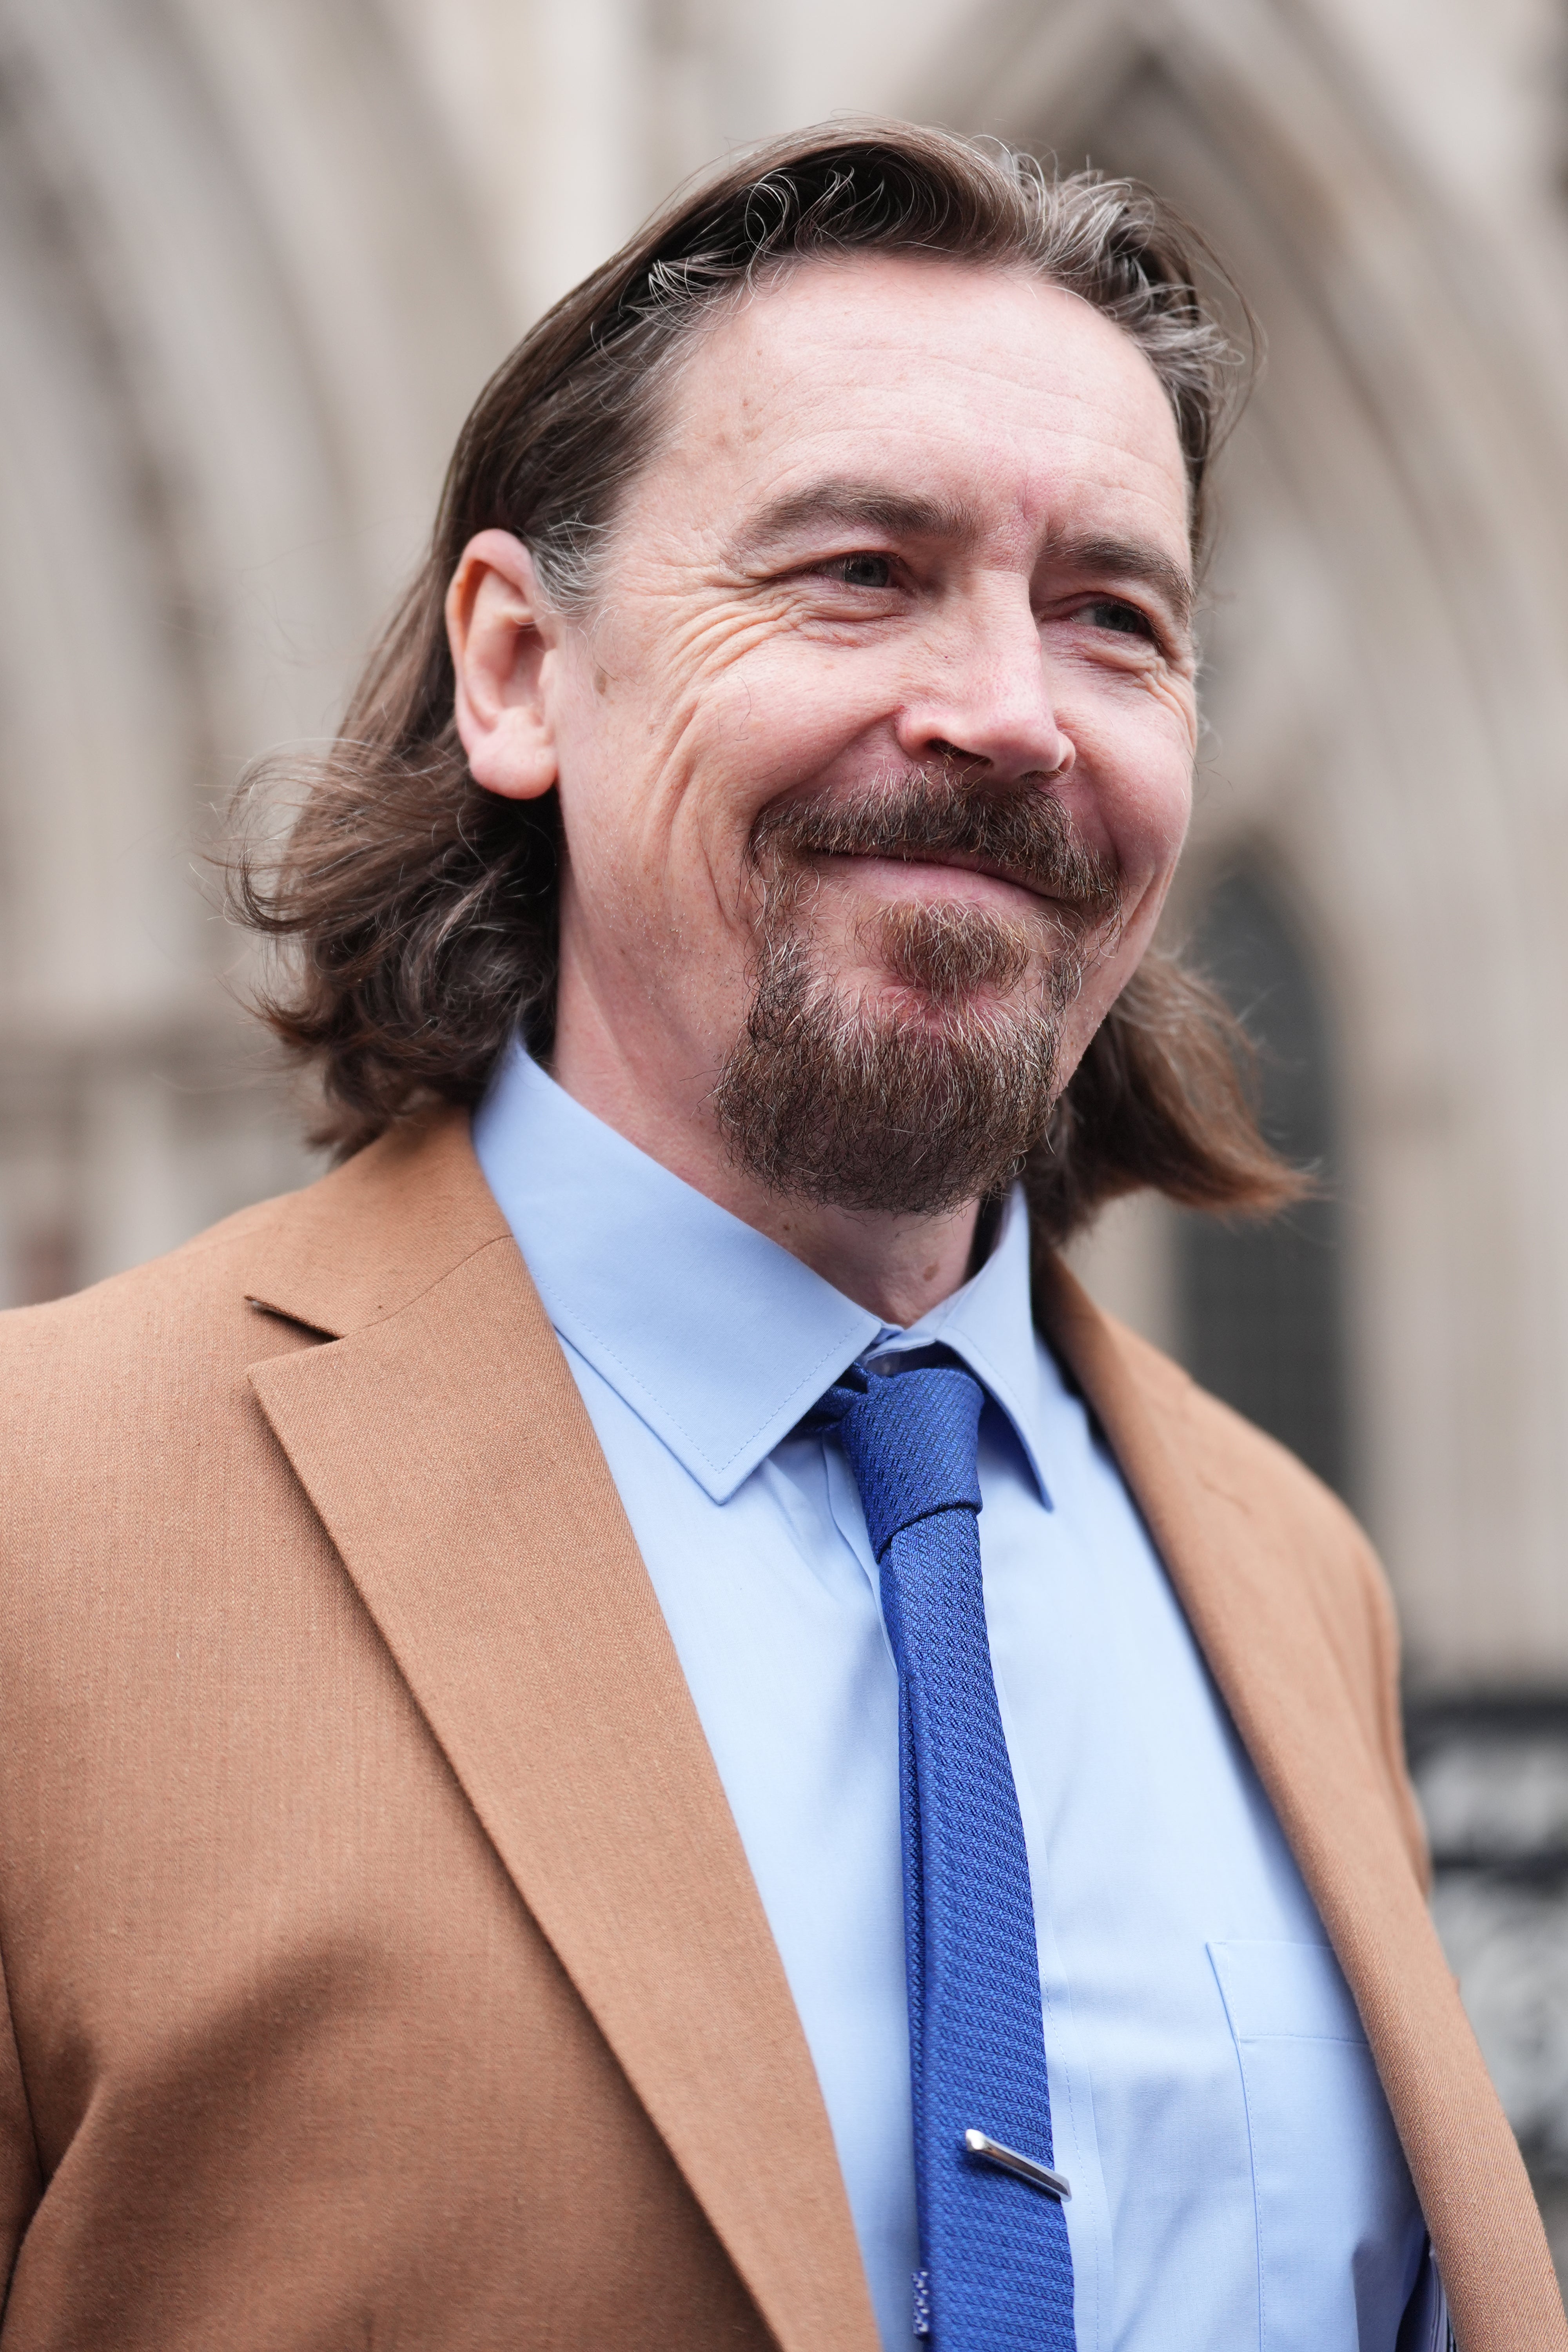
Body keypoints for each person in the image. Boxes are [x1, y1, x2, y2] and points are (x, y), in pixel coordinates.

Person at [0, 120, 1557, 2352]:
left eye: (1113, 618)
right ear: (520, 670)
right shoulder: (44, 1527)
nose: (1008, 713)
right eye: (857, 571)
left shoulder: (1293, 1577)